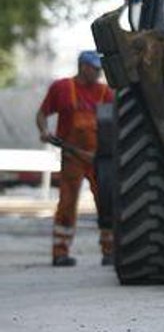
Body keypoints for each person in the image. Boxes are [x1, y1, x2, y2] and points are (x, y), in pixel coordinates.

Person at [35, 51, 115, 267]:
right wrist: (43, 130)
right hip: (72, 157)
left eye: (100, 70)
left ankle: (110, 251)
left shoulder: (105, 93)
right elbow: (41, 114)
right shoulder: (61, 89)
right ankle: (60, 252)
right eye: (94, 69)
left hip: (99, 159)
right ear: (82, 67)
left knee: (107, 202)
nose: (98, 74)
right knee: (67, 204)